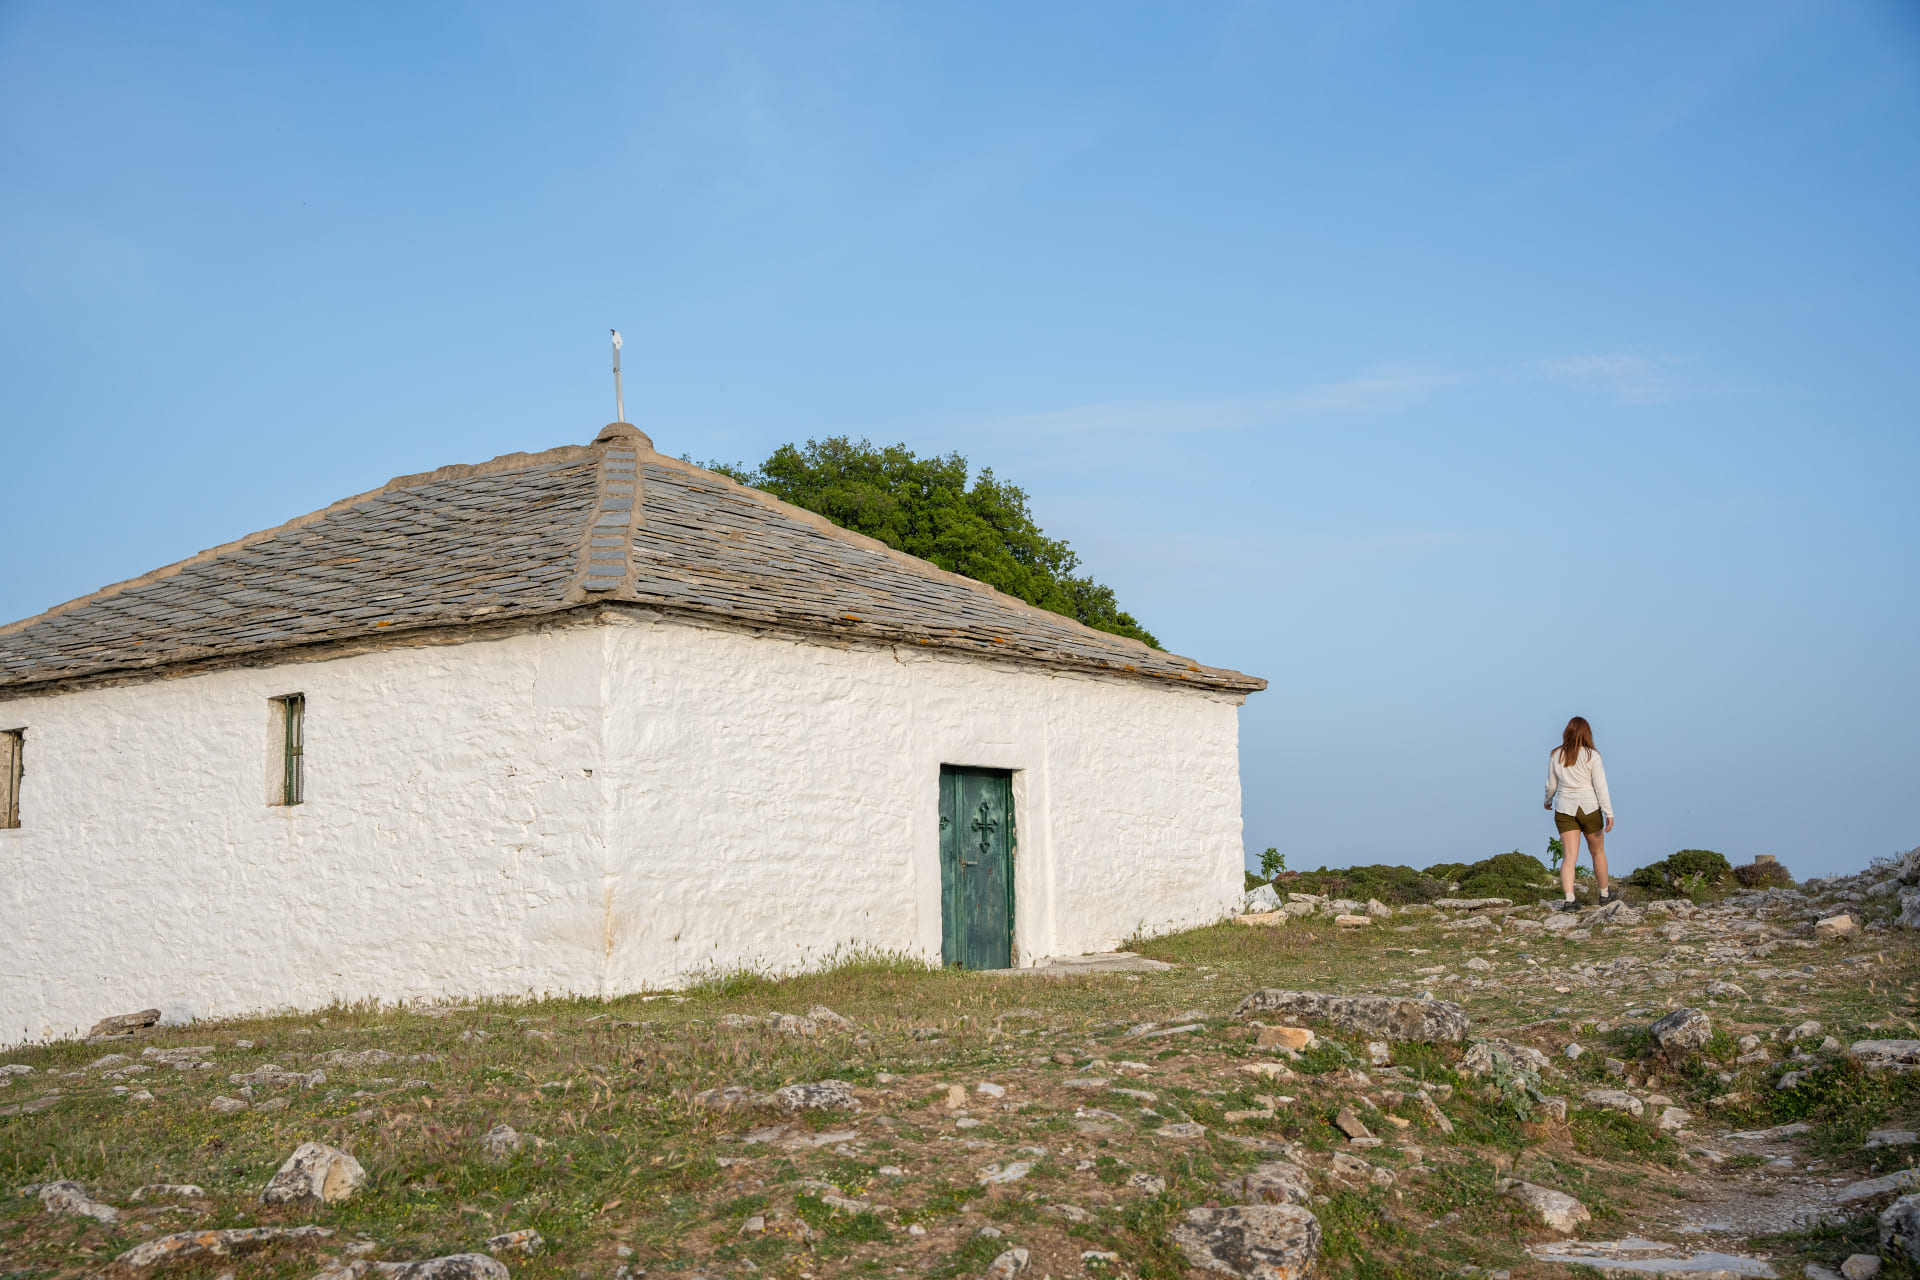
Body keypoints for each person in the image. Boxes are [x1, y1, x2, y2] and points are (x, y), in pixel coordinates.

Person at [1545, 716, 1613, 910]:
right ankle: (1604, 894)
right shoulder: (1592, 756)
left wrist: (1547, 800)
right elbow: (1601, 787)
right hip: (1589, 807)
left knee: (1569, 856)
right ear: (1587, 733)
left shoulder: (1556, 754)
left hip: (1564, 808)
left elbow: (1551, 784)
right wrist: (1609, 812)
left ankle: (1569, 899)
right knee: (1597, 852)